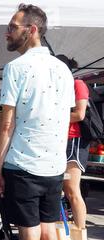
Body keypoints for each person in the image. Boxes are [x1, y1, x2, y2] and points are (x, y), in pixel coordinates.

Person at [0, 4, 75, 240]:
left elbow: (6, 125)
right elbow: (66, 116)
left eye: (13, 27)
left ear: (32, 30)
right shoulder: (63, 69)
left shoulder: (15, 68)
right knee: (49, 229)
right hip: (54, 164)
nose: (7, 32)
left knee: (29, 234)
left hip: (24, 163)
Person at [56, 55, 90, 229]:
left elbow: (79, 114)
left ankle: (81, 231)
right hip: (59, 140)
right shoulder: (59, 87)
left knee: (72, 190)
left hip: (74, 141)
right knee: (59, 189)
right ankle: (64, 229)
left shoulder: (78, 84)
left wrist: (51, 117)